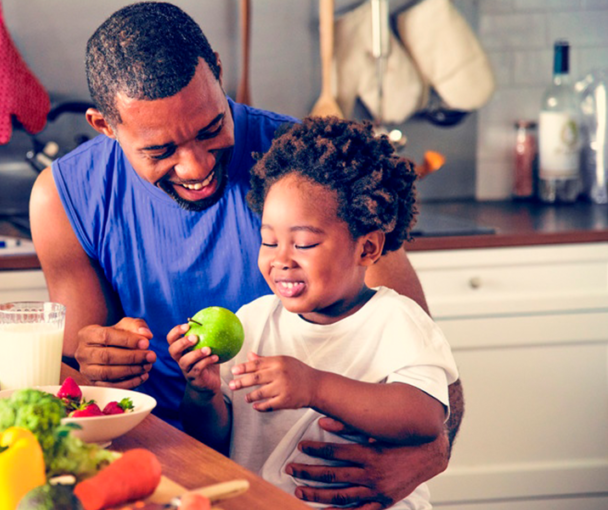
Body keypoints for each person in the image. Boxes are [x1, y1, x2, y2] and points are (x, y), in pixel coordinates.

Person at [29, 2, 465, 507]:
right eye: (159, 150)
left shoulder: (311, 172)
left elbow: (429, 369)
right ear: (104, 125)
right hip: (149, 467)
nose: (194, 166)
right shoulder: (64, 198)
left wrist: (433, 452)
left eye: (210, 128)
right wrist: (98, 358)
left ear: (217, 69)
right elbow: (78, 385)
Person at [167, 117, 459, 509]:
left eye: (303, 244)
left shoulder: (396, 321)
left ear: (367, 249)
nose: (280, 260)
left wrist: (315, 387)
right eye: (268, 241)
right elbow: (218, 441)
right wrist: (202, 395)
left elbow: (425, 418)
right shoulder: (254, 321)